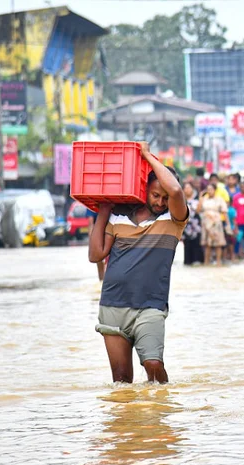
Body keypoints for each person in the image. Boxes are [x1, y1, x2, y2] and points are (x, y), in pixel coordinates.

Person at [88, 142, 188, 383]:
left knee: (153, 365)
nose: (161, 202)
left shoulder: (174, 220)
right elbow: (95, 255)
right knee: (121, 381)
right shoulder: (118, 216)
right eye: (155, 195)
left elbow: (175, 191)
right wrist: (104, 211)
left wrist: (146, 156)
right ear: (144, 190)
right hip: (113, 304)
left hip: (150, 306)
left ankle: (162, 402)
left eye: (164, 198)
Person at [198, 183, 228, 266]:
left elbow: (224, 212)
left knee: (218, 243)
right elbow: (198, 210)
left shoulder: (220, 199)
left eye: (211, 189)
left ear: (215, 190)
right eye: (208, 189)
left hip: (216, 222)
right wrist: (200, 198)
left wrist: (228, 225)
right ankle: (206, 262)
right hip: (206, 222)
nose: (209, 191)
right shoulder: (204, 199)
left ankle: (218, 262)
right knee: (207, 244)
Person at [181, 182, 203, 266]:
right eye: (186, 188)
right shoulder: (181, 201)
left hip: (196, 225)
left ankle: (197, 260)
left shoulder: (196, 200)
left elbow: (198, 211)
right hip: (186, 225)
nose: (187, 190)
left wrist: (201, 199)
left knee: (197, 243)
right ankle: (187, 262)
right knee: (187, 243)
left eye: (189, 188)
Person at [86, 209, 106, 281]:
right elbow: (90, 224)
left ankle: (101, 280)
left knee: (99, 260)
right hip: (106, 234)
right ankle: (102, 279)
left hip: (100, 235)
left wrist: (92, 240)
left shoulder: (91, 204)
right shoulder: (91, 206)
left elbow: (90, 224)